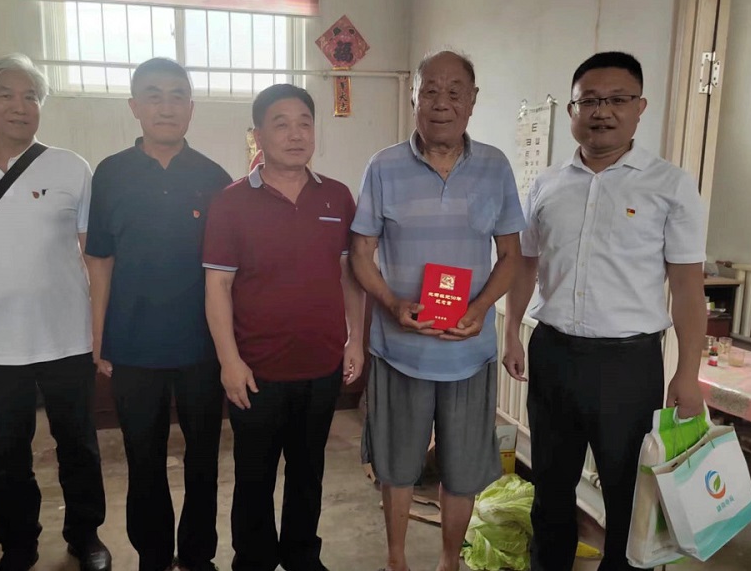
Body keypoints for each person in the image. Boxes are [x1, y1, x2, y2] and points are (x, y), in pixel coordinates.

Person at [502, 51, 707, 571]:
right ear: (572, 109)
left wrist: (688, 373)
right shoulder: (547, 184)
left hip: (628, 365)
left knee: (627, 495)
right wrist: (511, 332)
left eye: (617, 99)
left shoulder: (670, 185)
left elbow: (688, 287)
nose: (602, 111)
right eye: (589, 100)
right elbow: (524, 264)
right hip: (553, 353)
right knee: (551, 487)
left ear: (640, 107)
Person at [0, 54, 109, 571]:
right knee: (9, 455)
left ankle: (85, 536)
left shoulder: (71, 167)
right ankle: (18, 546)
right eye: (6, 95)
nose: (20, 106)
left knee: (79, 447)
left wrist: (101, 329)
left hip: (67, 337)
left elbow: (95, 257)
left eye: (31, 96)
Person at [350, 50, 525, 571]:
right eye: (430, 91)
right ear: (414, 97)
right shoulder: (383, 166)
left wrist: (482, 308)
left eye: (454, 92)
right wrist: (391, 302)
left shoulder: (495, 167)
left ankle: (450, 561)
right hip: (399, 350)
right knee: (396, 465)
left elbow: (510, 255)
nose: (441, 103)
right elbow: (360, 253)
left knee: (463, 470)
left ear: (472, 100)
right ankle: (396, 560)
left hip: (468, 352)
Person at [203, 84, 365, 571]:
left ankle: (301, 556)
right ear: (258, 135)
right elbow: (217, 287)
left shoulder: (337, 196)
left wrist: (355, 339)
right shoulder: (231, 202)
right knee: (254, 476)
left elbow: (350, 277)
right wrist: (229, 362)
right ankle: (252, 559)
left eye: (304, 124)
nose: (295, 135)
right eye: (281, 124)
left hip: (321, 366)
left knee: (308, 471)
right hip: (256, 371)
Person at [84, 57, 231, 571]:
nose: (165, 107)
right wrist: (100, 336)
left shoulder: (214, 178)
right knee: (142, 457)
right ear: (134, 106)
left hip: (201, 345)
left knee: (203, 458)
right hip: (133, 343)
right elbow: (100, 259)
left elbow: (226, 273)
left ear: (191, 107)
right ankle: (152, 555)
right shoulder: (111, 174)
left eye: (176, 96)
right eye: (153, 95)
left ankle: (197, 555)